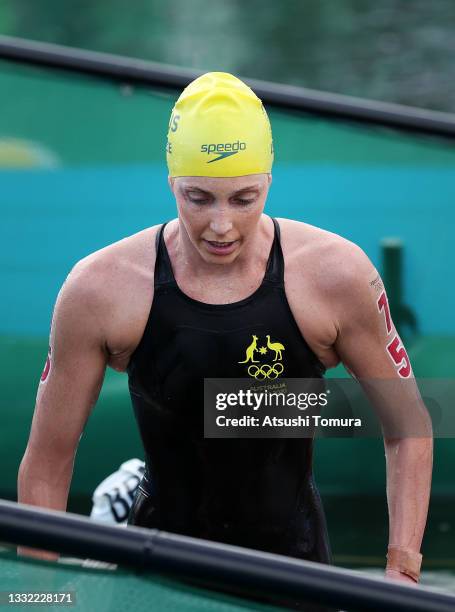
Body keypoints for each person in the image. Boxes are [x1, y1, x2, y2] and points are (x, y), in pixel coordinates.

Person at [18, 73, 432, 599]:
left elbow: (409, 423)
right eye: (198, 198)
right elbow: (49, 459)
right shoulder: (100, 288)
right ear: (170, 183)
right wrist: (35, 594)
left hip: (294, 572)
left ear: (269, 182)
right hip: (156, 577)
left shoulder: (335, 275)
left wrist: (403, 571)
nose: (221, 225)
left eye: (243, 198)